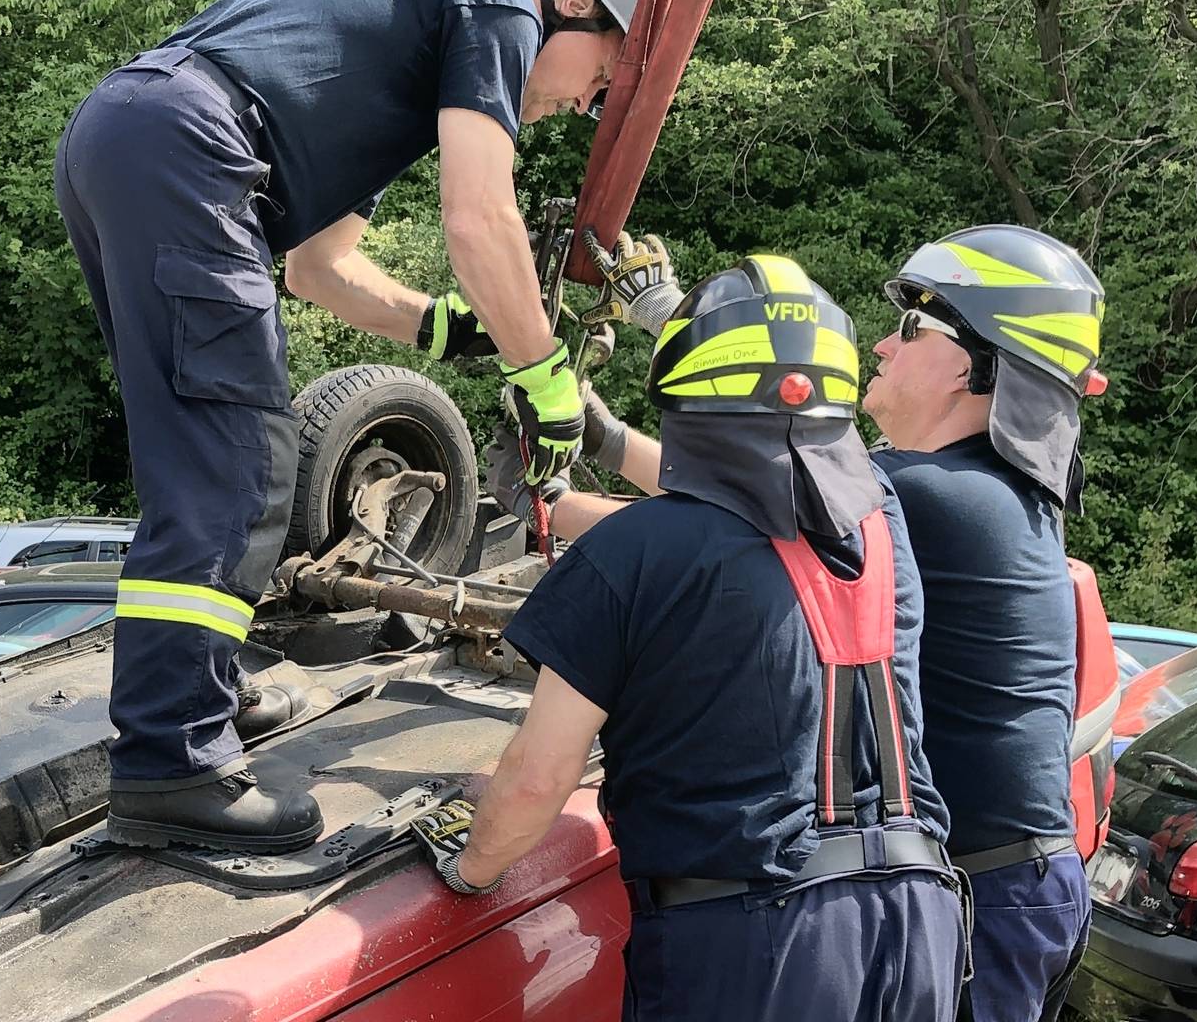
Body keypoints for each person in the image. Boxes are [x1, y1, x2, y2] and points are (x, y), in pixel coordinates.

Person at [54, 0, 648, 852]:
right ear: (575, 3)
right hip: (191, 153)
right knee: (239, 464)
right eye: (605, 74)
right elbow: (480, 218)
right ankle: (172, 763)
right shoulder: (499, 0)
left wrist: (446, 328)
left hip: (134, 137)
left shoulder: (392, 72)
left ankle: (199, 695)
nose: (587, 104)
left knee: (203, 457)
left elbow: (318, 270)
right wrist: (545, 378)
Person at [412, 255, 964, 1021]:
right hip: (919, 922)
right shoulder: (883, 522)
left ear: (685, 390)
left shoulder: (631, 556)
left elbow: (538, 780)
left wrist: (470, 865)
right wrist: (600, 454)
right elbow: (741, 515)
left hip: (756, 949)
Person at [864, 226, 1108, 1022]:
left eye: (911, 328)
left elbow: (730, 502)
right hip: (1016, 887)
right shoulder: (991, 491)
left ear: (971, 365)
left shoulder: (934, 495)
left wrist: (561, 490)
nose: (881, 346)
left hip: (986, 898)